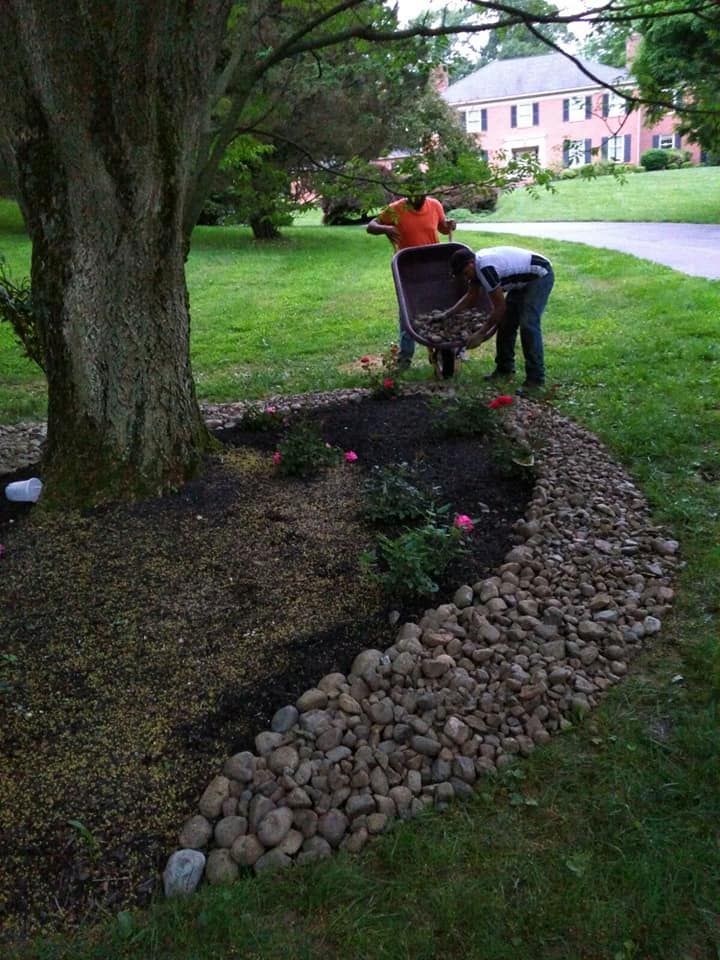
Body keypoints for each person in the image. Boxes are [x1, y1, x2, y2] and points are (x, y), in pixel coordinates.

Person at [443, 245, 554, 393]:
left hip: (539, 275)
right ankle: (504, 369)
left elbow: (499, 308)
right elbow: (471, 296)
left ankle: (535, 379)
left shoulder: (485, 269)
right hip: (521, 281)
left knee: (528, 324)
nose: (466, 277)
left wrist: (480, 334)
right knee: (506, 324)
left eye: (465, 273)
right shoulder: (476, 268)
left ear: (471, 264)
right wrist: (448, 314)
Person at [367, 194, 456, 368]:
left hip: (433, 265)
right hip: (408, 268)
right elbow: (371, 226)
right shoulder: (396, 209)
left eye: (420, 196)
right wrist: (386, 229)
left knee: (437, 308)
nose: (416, 199)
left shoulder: (435, 205)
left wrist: (449, 225)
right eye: (412, 195)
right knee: (408, 311)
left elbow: (443, 228)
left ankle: (439, 349)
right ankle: (405, 357)